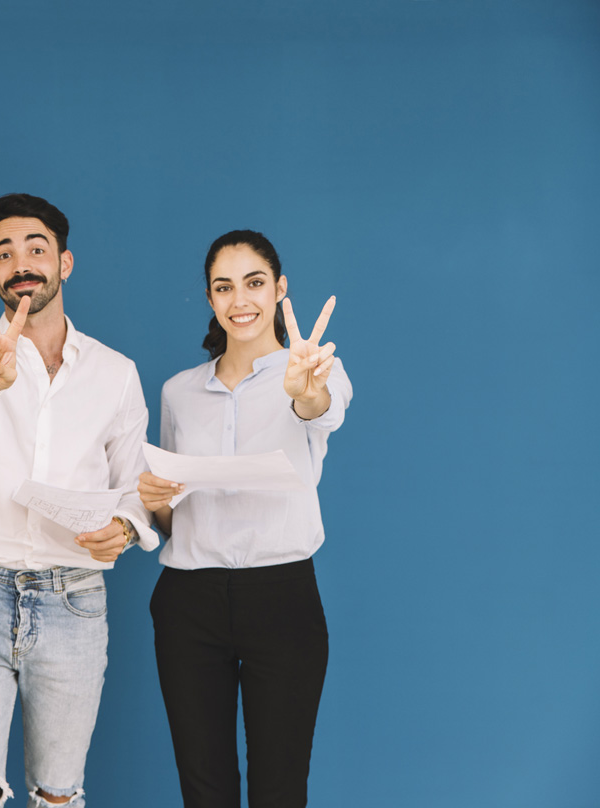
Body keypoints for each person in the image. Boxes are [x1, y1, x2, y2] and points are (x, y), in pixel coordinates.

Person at [0, 194, 158, 808]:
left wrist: (124, 528)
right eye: (4, 254)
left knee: (58, 793)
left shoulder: (116, 372)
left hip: (73, 598)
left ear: (65, 263)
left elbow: (135, 486)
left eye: (36, 248)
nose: (21, 264)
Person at [137, 229, 352, 808]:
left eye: (254, 283)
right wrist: (154, 498)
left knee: (281, 788)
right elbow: (171, 518)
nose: (240, 300)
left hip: (281, 597)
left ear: (280, 289)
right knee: (203, 789)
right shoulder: (179, 392)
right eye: (223, 287)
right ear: (210, 298)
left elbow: (320, 409)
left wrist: (305, 388)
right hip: (188, 600)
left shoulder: (316, 372)